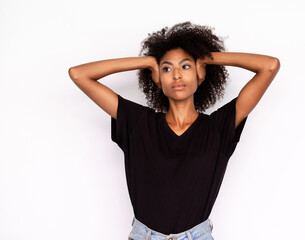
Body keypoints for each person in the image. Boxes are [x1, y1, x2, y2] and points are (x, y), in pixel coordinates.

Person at [68, 21, 280, 240]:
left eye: (186, 66)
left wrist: (206, 57)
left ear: (200, 74)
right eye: (167, 68)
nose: (176, 75)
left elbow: (270, 66)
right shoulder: (138, 123)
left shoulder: (218, 127)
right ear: (158, 79)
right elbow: (78, 74)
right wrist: (148, 62)